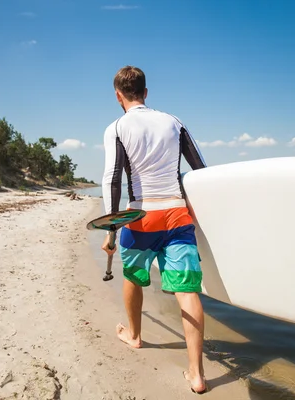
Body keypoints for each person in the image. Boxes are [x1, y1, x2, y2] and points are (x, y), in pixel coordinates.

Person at [100, 66, 208, 394]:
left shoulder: (117, 127)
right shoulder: (174, 122)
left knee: (133, 277)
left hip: (140, 217)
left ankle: (134, 336)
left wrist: (110, 230)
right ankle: (197, 373)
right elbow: (201, 170)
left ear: (118, 96)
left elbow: (113, 179)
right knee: (187, 290)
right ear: (146, 92)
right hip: (177, 215)